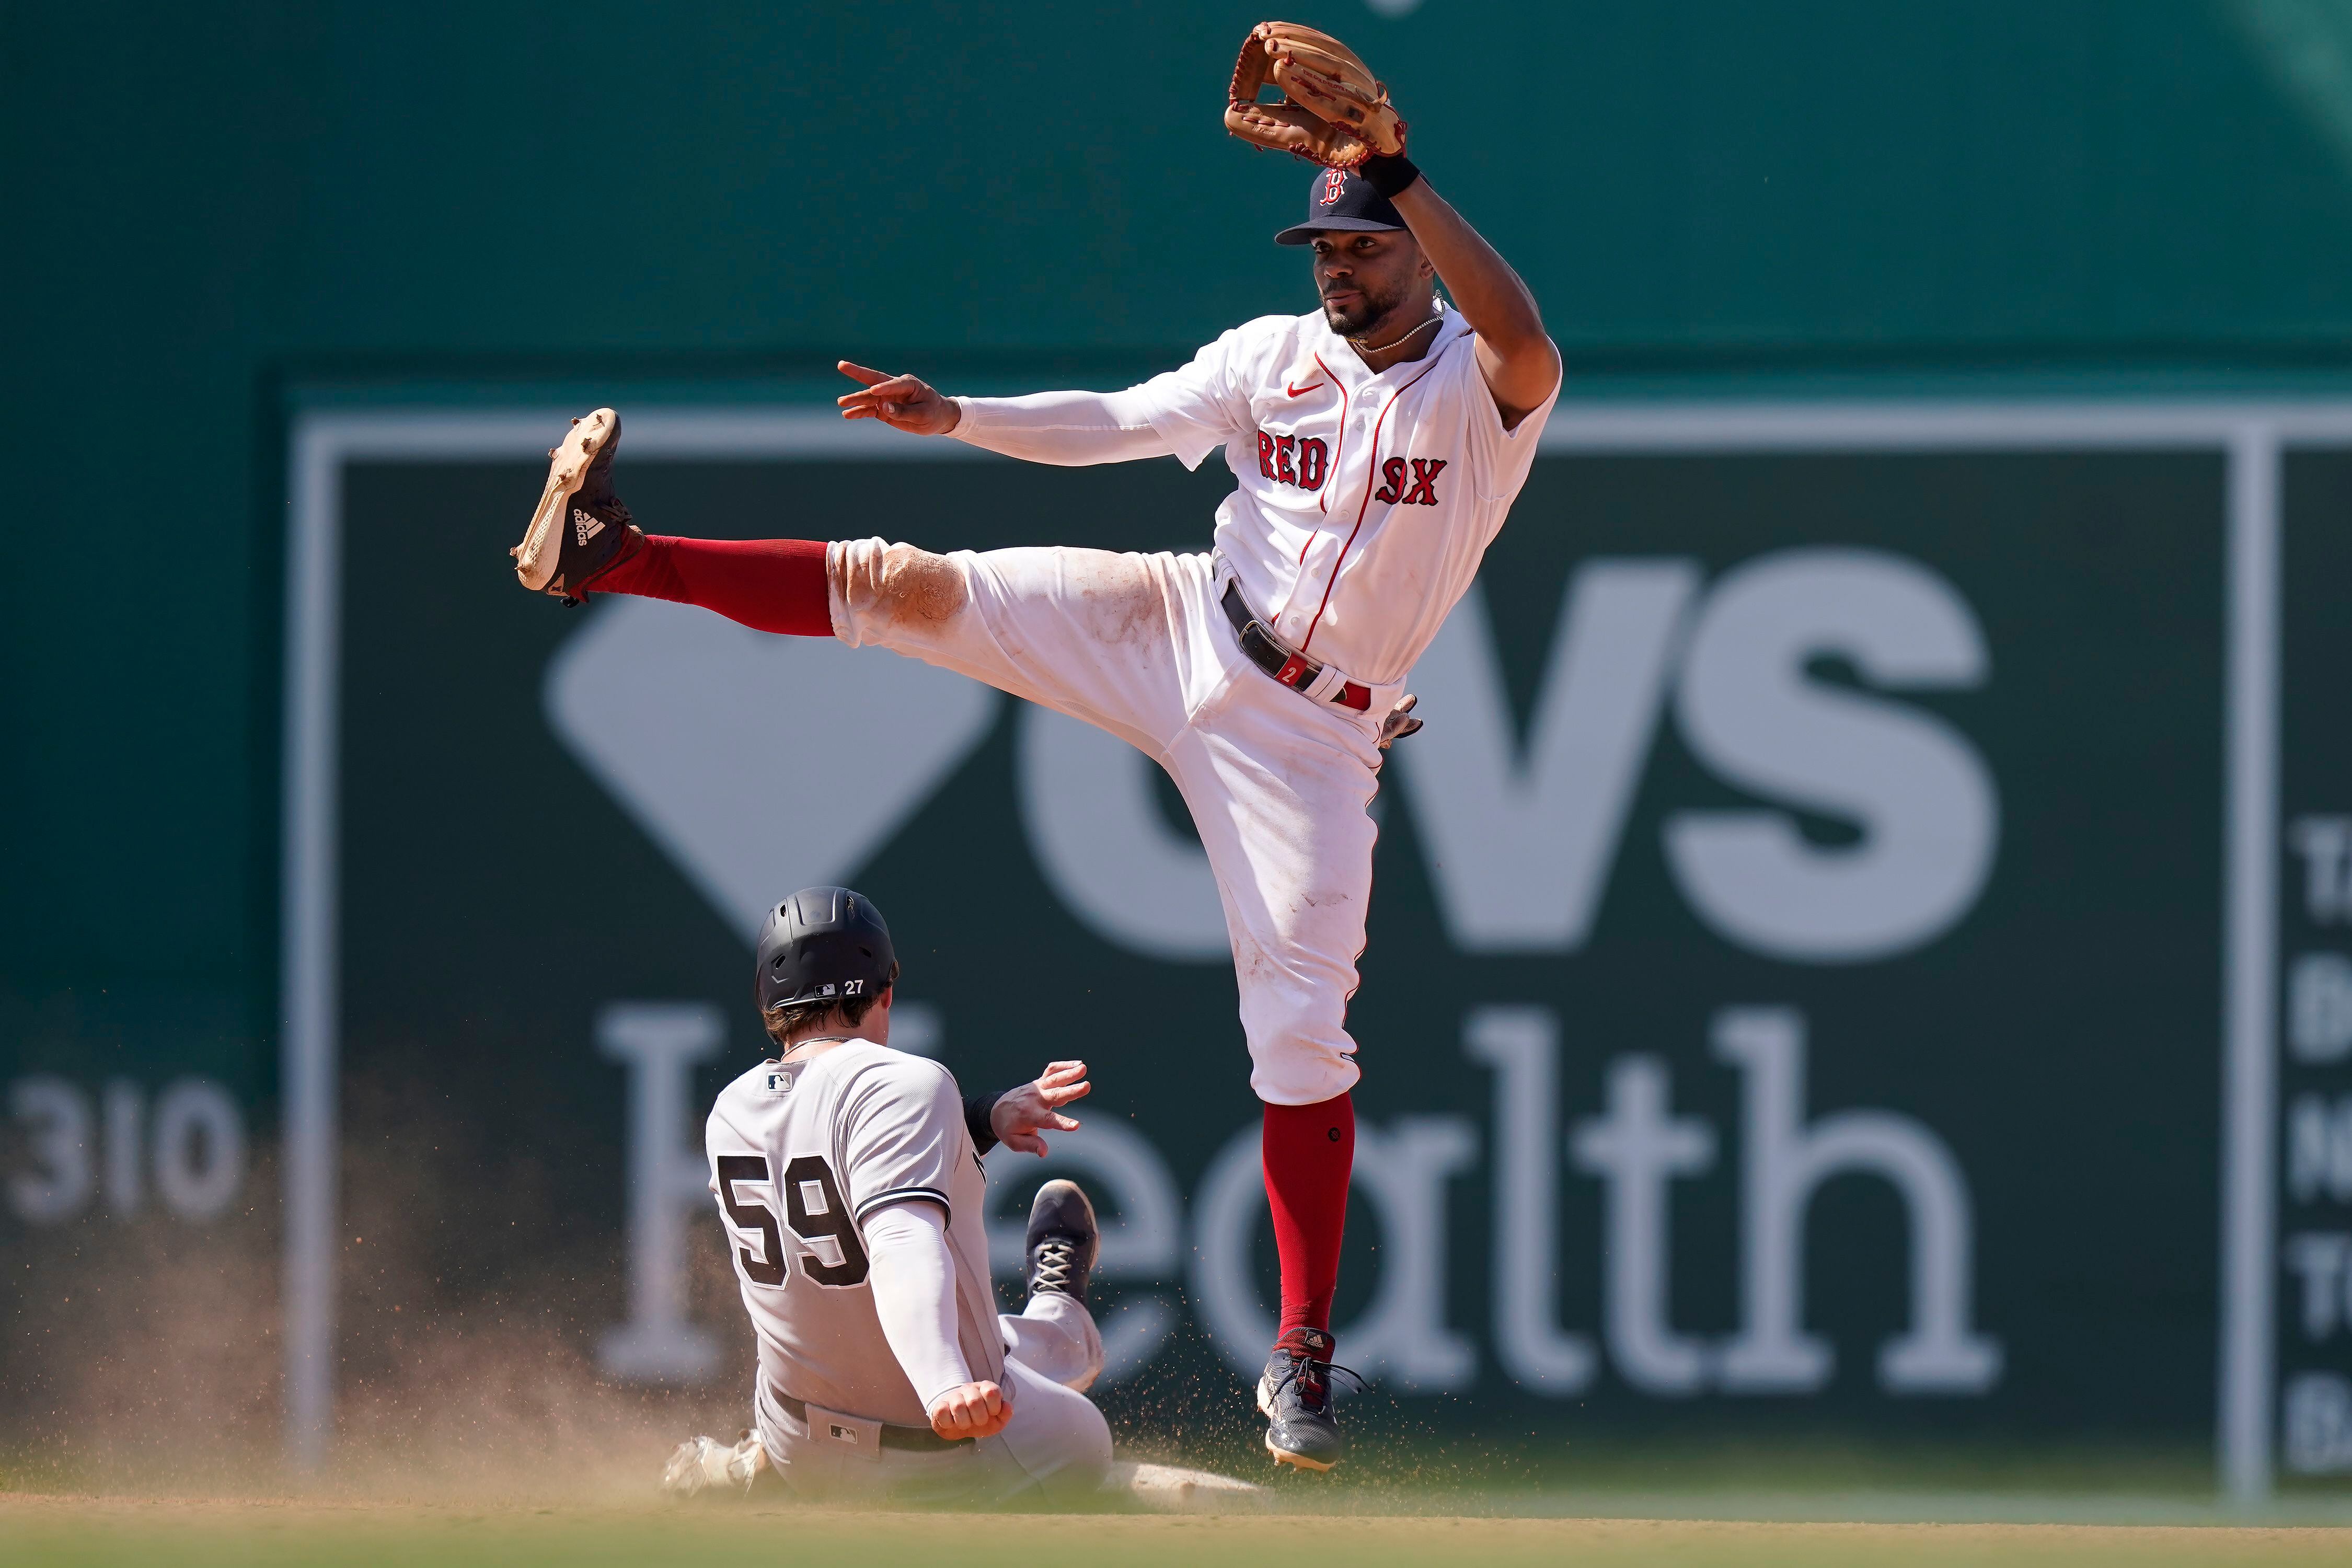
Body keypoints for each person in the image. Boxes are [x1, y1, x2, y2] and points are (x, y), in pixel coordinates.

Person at [517, 122, 1559, 1473]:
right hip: (1183, 619)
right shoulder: (1273, 359)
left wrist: (1405, 178)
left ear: (1419, 249)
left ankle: (1299, 1353)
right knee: (905, 583)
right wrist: (958, 418)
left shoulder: (1480, 395)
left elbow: (1523, 337)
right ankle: (614, 556)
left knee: (1300, 1036)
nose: (1336, 271)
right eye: (1324, 247)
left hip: (1313, 733)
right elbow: (1124, 423)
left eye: (1361, 246)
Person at [663, 886, 1112, 1503]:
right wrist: (943, 1384)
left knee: (989, 1338)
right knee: (1086, 1437)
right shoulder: (906, 1081)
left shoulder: (732, 1110)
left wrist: (979, 1119)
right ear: (886, 993)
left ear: (769, 1003)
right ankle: (1063, 1318)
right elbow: (901, 1242)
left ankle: (751, 1467)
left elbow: (835, 1156)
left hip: (795, 1437)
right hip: (935, 1449)